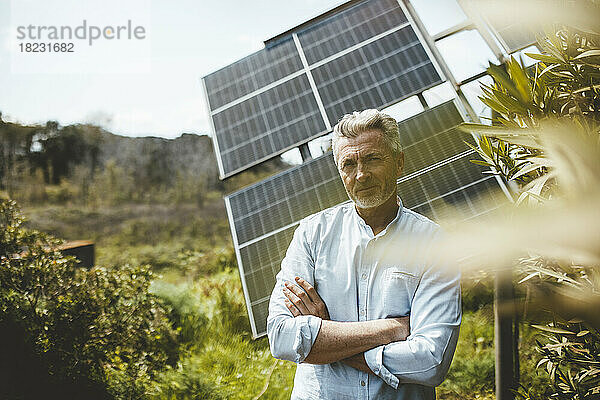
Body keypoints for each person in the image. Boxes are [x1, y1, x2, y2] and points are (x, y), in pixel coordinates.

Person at [266, 109, 461, 399]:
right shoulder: (312, 234)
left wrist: (326, 336)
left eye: (373, 158)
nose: (361, 174)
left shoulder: (433, 243)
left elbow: (430, 362)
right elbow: (282, 336)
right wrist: (391, 330)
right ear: (340, 171)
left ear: (399, 162)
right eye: (349, 163)